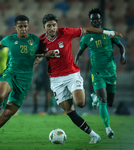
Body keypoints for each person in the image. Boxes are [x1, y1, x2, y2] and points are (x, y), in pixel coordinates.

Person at [38, 13, 123, 144]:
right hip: (55, 79)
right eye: (49, 26)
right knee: (69, 111)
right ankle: (94, 135)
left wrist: (106, 32)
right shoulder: (41, 41)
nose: (52, 28)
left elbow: (87, 30)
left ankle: (94, 96)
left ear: (57, 25)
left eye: (54, 25)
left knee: (81, 104)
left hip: (71, 74)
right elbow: (35, 56)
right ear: (44, 27)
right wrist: (44, 54)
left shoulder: (66, 32)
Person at [0, 15, 55, 143]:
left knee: (5, 116)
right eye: (20, 26)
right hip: (10, 74)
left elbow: (40, 53)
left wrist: (45, 55)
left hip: (25, 81)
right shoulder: (10, 39)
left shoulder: (34, 39)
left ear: (28, 26)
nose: (23, 29)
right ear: (15, 27)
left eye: (25, 26)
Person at [75, 8, 126, 139]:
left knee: (110, 102)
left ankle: (95, 97)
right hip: (97, 72)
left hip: (110, 71)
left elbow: (121, 46)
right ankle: (108, 129)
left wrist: (122, 56)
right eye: (93, 19)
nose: (95, 21)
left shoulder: (108, 33)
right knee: (103, 100)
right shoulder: (86, 37)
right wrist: (74, 64)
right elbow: (79, 53)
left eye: (97, 19)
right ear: (90, 21)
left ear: (101, 19)